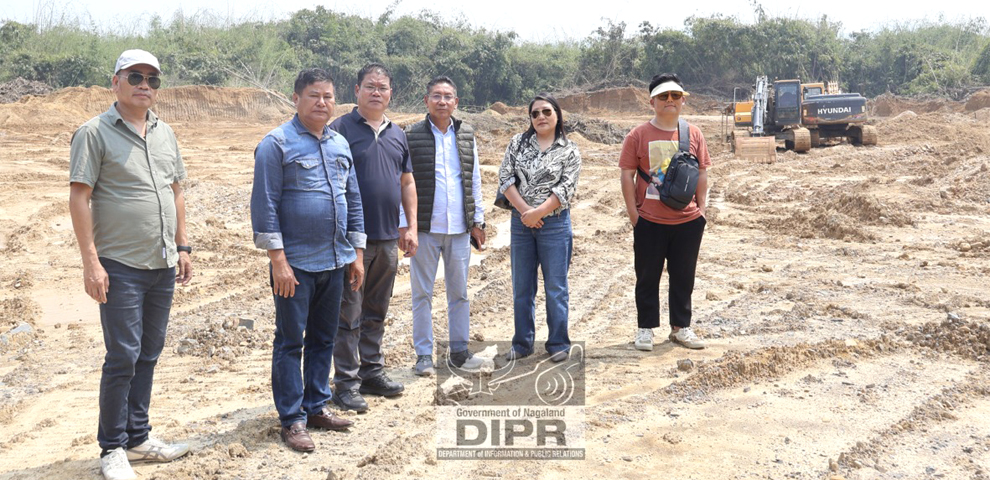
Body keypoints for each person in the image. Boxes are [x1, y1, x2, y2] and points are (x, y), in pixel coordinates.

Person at [68, 49, 192, 480]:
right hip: (119, 264)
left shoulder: (165, 133)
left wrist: (183, 246)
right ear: (115, 82)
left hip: (162, 262)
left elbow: (175, 191)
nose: (145, 85)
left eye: (153, 79)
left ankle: (138, 437)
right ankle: (112, 448)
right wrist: (91, 263)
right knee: (122, 355)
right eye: (136, 76)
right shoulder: (94, 133)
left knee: (149, 353)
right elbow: (80, 197)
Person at [251, 68, 360, 452]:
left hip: (334, 261)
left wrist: (356, 253)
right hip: (294, 265)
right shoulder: (276, 144)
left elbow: (354, 201)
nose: (322, 103)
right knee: (289, 342)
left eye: (328, 96)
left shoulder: (339, 145)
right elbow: (265, 207)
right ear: (295, 98)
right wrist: (278, 260)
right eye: (314, 95)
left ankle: (316, 406)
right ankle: (292, 419)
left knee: (323, 339)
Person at [329, 63, 416, 412]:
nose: (376, 92)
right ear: (357, 91)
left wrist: (410, 226)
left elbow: (406, 182)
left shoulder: (398, 134)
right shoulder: (339, 130)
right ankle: (345, 383)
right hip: (352, 241)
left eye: (382, 87)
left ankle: (371, 372)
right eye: (370, 86)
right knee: (348, 313)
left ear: (391, 93)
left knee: (376, 309)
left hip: (386, 239)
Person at [619, 73, 711, 352]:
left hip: (688, 221)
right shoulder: (638, 135)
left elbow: (703, 172)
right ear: (652, 102)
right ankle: (645, 329)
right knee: (647, 275)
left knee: (684, 276)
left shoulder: (694, 133)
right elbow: (627, 175)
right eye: (663, 96)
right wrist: (634, 214)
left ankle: (681, 328)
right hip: (649, 220)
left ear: (683, 100)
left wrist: (702, 210)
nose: (669, 101)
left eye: (675, 96)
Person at [401, 76, 486, 376]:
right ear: (426, 101)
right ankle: (424, 356)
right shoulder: (411, 136)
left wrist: (478, 221)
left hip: (459, 229)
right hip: (425, 229)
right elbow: (404, 183)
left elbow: (474, 179)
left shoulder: (466, 134)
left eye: (448, 96)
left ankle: (460, 352)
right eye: (436, 96)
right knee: (421, 294)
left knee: (459, 293)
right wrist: (405, 226)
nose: (442, 101)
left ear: (456, 102)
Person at [496, 93, 581, 363]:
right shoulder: (517, 144)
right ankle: (522, 344)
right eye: (535, 114)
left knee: (556, 287)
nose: (541, 117)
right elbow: (505, 177)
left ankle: (558, 343)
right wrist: (526, 212)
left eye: (546, 112)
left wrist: (539, 212)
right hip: (521, 224)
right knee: (522, 287)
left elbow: (566, 187)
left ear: (557, 115)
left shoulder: (569, 149)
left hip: (555, 224)